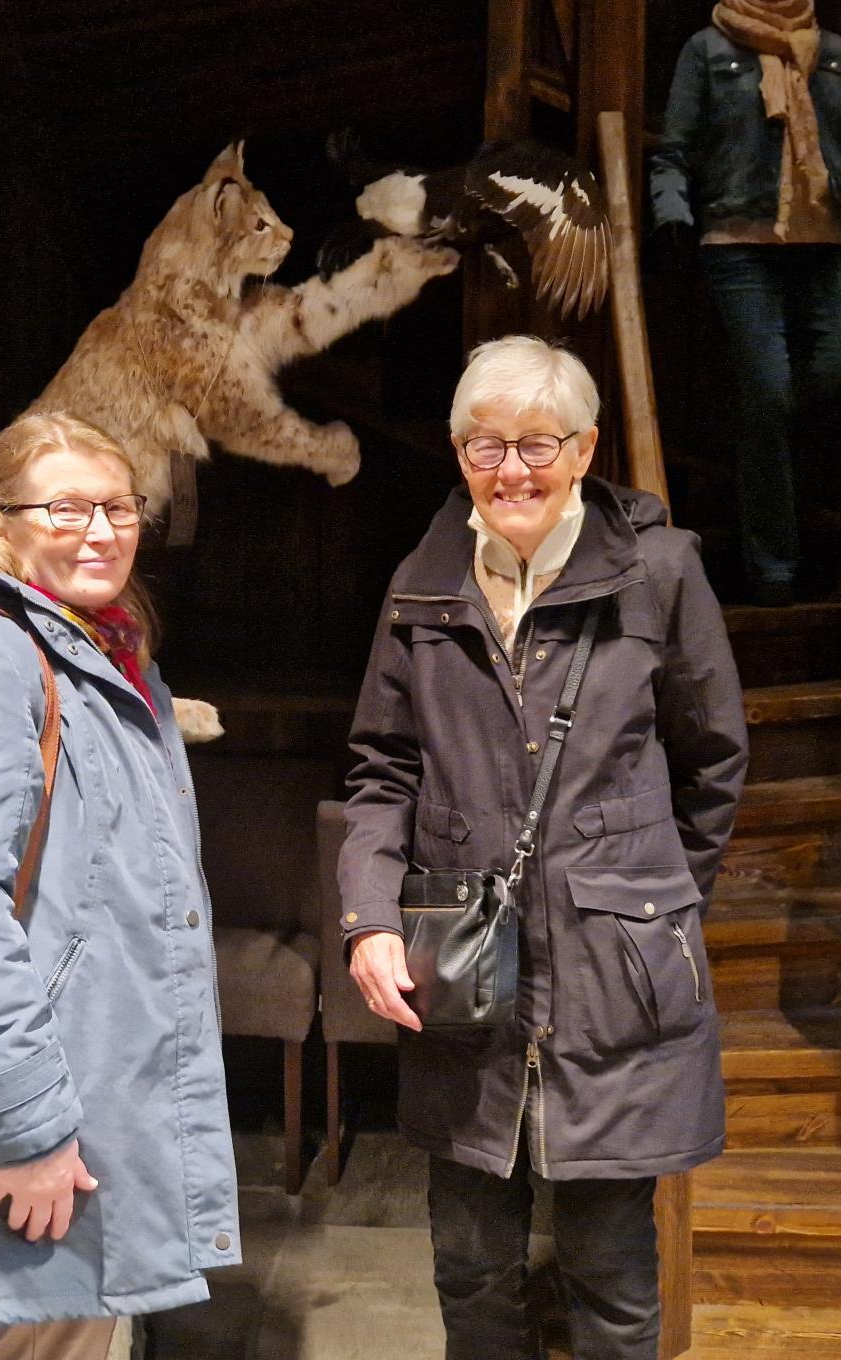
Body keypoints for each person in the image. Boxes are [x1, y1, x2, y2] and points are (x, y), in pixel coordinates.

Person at [338, 336, 749, 1360]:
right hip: (465, 975)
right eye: (486, 444)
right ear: (458, 452)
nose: (511, 469)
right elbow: (381, 771)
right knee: (471, 1269)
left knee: (611, 1276)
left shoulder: (658, 571)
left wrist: (650, 907)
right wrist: (369, 918)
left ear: (584, 449)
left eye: (537, 444)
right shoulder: (421, 582)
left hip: (615, 983)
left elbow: (713, 762)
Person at [0, 412, 239, 1359]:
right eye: (66, 509)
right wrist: (31, 1129)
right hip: (35, 1117)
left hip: (96, 1105)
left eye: (119, 507)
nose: (100, 531)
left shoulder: (100, 653)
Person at [649, 0, 841, 604]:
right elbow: (674, 148)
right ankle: (774, 567)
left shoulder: (831, 51)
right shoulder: (708, 48)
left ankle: (815, 532)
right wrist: (672, 210)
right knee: (768, 393)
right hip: (737, 244)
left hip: (827, 246)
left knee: (827, 383)